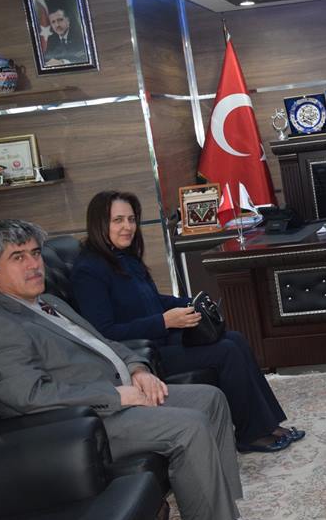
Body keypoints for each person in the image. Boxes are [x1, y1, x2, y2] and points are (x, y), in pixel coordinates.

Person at [0, 220, 262, 520]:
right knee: (189, 426)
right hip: (81, 422)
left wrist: (137, 369)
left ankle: (222, 516)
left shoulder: (48, 302)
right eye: (18, 257)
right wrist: (115, 396)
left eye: (35, 253)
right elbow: (30, 397)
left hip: (120, 393)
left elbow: (104, 342)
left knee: (210, 399)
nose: (34, 264)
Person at [70, 191, 304, 453]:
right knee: (226, 351)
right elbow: (104, 332)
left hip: (160, 339)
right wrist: (164, 322)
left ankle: (268, 424)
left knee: (235, 339)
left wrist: (189, 303)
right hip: (140, 356)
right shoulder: (88, 271)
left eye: (131, 219)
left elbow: (152, 299)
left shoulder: (124, 257)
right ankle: (250, 435)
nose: (128, 227)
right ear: (99, 223)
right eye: (118, 220)